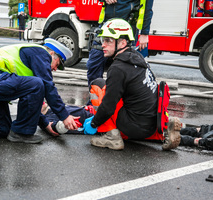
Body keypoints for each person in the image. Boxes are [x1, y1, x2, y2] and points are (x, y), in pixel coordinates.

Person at [81, 18, 181, 151]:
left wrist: (94, 123)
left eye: (108, 40)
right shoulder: (138, 57)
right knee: (127, 98)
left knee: (98, 84)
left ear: (122, 42)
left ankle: (111, 137)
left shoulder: (118, 68)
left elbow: (108, 106)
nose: (103, 45)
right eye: (102, 40)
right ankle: (163, 131)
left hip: (134, 126)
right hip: (152, 124)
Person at [43, 104, 213, 150]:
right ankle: (199, 141)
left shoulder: (56, 106)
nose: (43, 101)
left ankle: (200, 130)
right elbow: (60, 128)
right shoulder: (48, 118)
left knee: (156, 127)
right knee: (153, 134)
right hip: (104, 124)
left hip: (106, 115)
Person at [87, 0, 154, 86]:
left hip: (125, 29)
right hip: (107, 26)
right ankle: (96, 98)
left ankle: (116, 96)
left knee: (124, 70)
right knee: (94, 64)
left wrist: (145, 33)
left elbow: (147, 8)